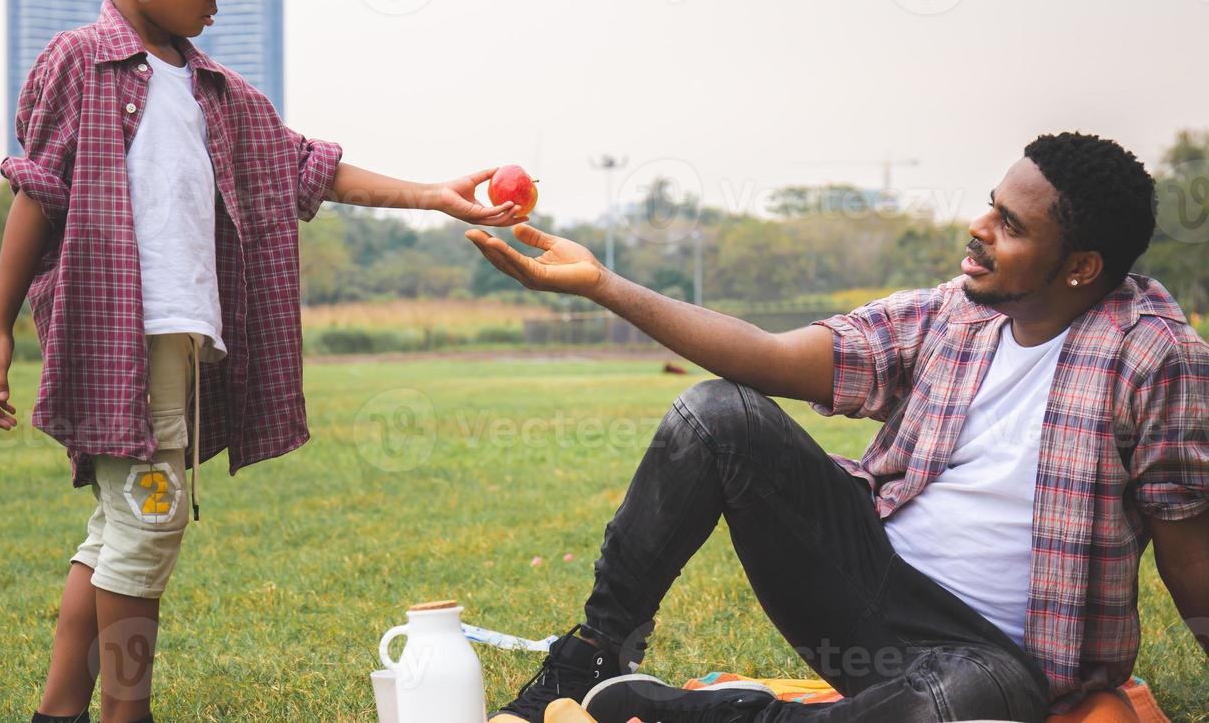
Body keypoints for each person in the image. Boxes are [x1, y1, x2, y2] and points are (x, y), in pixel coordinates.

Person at [0, 0, 520, 723]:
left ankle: (58, 712)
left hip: (181, 341)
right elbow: (37, 191)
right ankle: (127, 712)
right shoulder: (79, 61)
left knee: (117, 534)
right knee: (149, 529)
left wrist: (434, 195)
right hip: (126, 342)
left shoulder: (217, 92)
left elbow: (314, 168)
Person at [467, 133, 1207, 723]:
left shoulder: (1155, 358)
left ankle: (671, 713)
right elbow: (772, 357)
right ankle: (593, 659)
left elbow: (1189, 555)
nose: (978, 230)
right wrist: (604, 284)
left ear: (1080, 266)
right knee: (716, 415)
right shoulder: (956, 311)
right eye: (991, 206)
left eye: (1010, 226)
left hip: (993, 664)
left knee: (968, 703)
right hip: (864, 592)